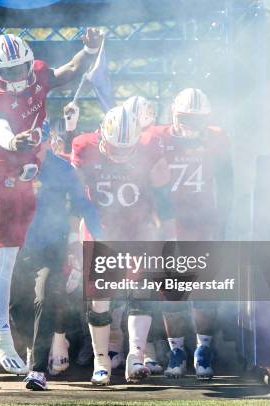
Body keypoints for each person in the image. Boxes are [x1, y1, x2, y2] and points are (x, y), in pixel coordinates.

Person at [0, 29, 104, 375]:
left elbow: (68, 72)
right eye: (9, 71)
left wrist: (90, 50)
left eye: (20, 68)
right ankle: (0, 335)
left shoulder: (37, 75)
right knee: (4, 257)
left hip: (23, 174)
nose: (17, 77)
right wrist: (15, 140)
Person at [72, 104, 175, 385]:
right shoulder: (84, 146)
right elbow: (75, 195)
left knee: (140, 294)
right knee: (101, 299)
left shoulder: (149, 148)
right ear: (103, 134)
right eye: (115, 147)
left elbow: (164, 195)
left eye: (126, 148)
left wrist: (167, 230)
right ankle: (101, 359)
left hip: (137, 230)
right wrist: (78, 232)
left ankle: (136, 356)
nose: (120, 154)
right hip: (102, 229)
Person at [146, 88, 233, 379]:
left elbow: (226, 180)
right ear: (174, 113)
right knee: (172, 293)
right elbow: (146, 179)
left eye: (198, 119)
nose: (192, 124)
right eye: (186, 117)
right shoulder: (157, 137)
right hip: (170, 225)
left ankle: (203, 347)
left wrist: (223, 222)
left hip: (203, 222)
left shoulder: (216, 137)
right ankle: (177, 349)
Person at [9, 119, 102, 390]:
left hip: (52, 247)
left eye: (39, 143)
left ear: (49, 141)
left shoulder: (62, 169)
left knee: (46, 298)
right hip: (16, 246)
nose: (34, 150)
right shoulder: (8, 162)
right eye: (29, 144)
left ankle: (37, 370)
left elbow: (84, 204)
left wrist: (100, 233)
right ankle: (30, 348)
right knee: (17, 305)